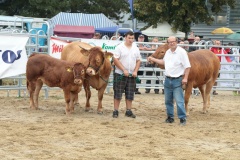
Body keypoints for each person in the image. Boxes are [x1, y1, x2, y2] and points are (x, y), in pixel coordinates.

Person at [147, 36, 191, 126]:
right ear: (168, 43)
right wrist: (153, 59)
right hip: (167, 79)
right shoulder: (168, 52)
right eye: (170, 42)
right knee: (168, 100)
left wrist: (185, 78)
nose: (171, 43)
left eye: (173, 41)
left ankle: (182, 118)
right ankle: (170, 117)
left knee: (179, 101)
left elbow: (187, 66)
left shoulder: (182, 52)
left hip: (177, 79)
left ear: (177, 42)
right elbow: (164, 62)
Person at [112, 31, 141, 118]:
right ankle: (115, 110)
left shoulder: (136, 48)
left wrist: (135, 71)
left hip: (132, 74)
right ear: (125, 37)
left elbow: (138, 60)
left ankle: (128, 110)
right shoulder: (119, 47)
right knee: (118, 93)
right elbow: (115, 59)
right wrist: (123, 69)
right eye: (129, 38)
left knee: (130, 93)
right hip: (120, 73)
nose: (131, 40)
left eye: (132, 38)